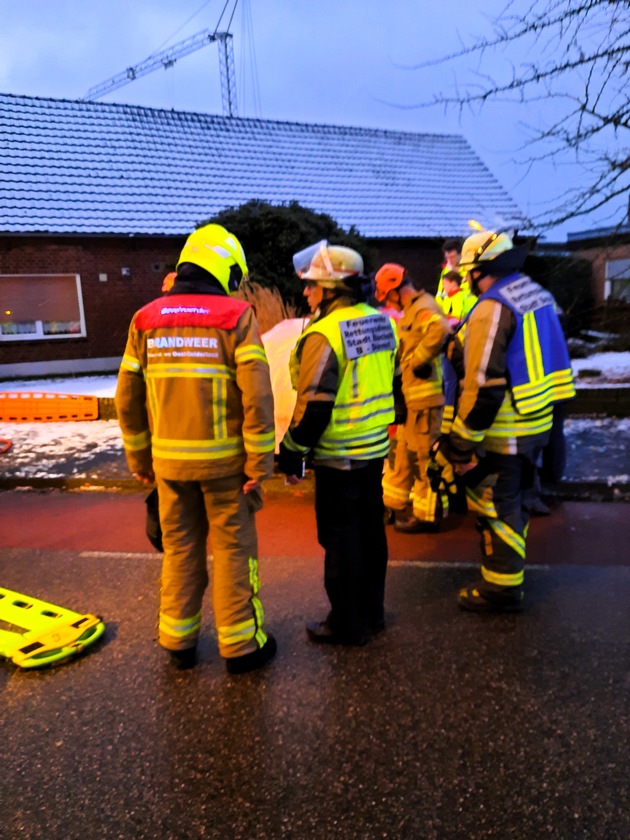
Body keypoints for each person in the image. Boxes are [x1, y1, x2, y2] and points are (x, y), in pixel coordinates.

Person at [115, 223, 277, 673]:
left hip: (169, 465)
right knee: (232, 551)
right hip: (226, 466)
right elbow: (258, 395)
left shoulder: (145, 319)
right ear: (225, 269)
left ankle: (179, 642)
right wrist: (259, 462)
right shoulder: (237, 317)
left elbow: (126, 395)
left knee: (181, 549)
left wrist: (139, 458)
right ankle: (242, 648)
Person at [436, 227, 576, 612]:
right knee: (517, 502)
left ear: (481, 270)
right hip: (537, 421)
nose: (465, 279)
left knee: (495, 506)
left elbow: (485, 386)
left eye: (468, 272)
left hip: (505, 429)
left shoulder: (491, 308)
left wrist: (459, 444)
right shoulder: (536, 294)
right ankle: (508, 577)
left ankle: (500, 588)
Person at [278, 240, 398, 646]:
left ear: (332, 289)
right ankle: (372, 614)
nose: (306, 292)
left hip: (339, 455)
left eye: (312, 285)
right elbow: (393, 385)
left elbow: (315, 404)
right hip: (373, 450)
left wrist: (292, 452)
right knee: (370, 534)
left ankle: (346, 624)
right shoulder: (382, 321)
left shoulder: (326, 333)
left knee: (340, 539)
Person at [374, 263, 451, 532]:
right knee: (403, 457)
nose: (388, 302)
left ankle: (428, 516)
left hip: (425, 402)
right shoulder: (413, 310)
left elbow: (440, 330)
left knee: (423, 460)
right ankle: (391, 506)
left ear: (396, 290)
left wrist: (420, 358)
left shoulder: (422, 307)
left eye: (387, 296)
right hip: (413, 401)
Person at [436, 238, 465, 304]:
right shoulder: (445, 271)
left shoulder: (468, 270)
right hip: (448, 312)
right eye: (447, 258)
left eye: (452, 257)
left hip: (468, 312)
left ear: (461, 254)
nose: (449, 260)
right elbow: (439, 293)